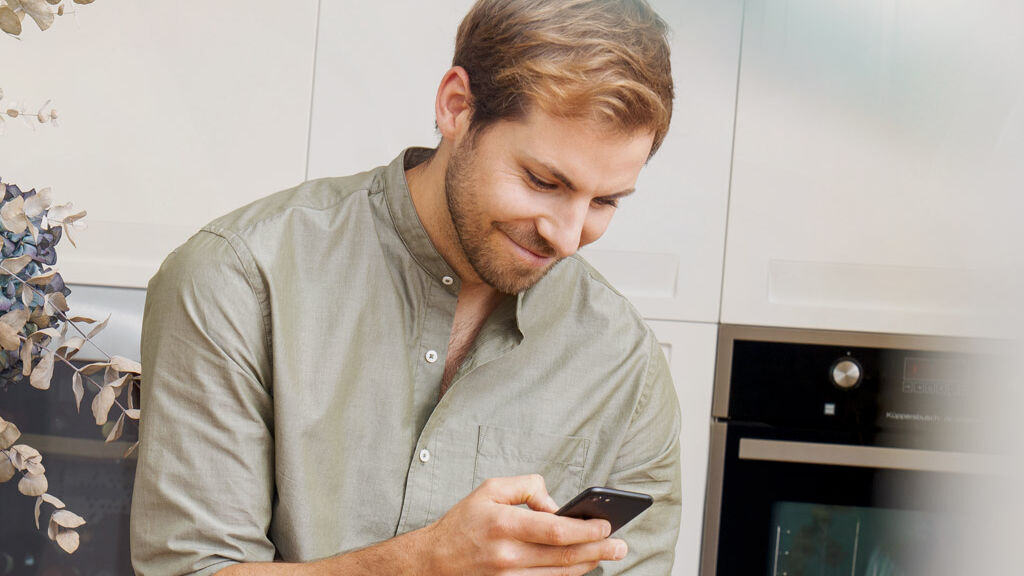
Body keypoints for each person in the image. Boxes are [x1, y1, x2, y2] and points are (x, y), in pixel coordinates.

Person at [130, 0, 680, 574]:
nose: (566, 237)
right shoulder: (239, 278)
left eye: (605, 201)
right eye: (543, 181)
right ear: (457, 106)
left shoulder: (626, 363)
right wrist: (424, 562)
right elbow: (191, 569)